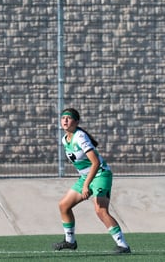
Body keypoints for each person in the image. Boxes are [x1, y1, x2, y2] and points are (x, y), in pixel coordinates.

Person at [53, 108, 131, 254]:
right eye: (63, 118)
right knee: (64, 205)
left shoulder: (80, 137)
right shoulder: (64, 140)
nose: (65, 120)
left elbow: (95, 163)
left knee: (100, 210)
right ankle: (70, 242)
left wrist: (86, 186)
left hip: (101, 174)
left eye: (68, 118)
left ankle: (123, 245)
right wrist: (85, 182)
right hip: (86, 177)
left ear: (76, 122)